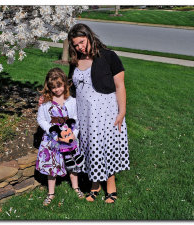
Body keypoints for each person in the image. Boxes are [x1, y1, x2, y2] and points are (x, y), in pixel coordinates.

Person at [68, 23, 130, 203]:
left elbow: (120, 86)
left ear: (89, 36)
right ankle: (94, 185)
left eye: (82, 42)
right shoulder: (75, 62)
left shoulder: (109, 56)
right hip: (84, 115)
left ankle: (111, 186)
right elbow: (72, 88)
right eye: (76, 45)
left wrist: (122, 112)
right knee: (90, 148)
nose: (80, 47)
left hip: (106, 112)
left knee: (106, 147)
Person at [36, 67, 84, 206]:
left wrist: (74, 135)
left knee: (73, 164)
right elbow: (41, 119)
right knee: (52, 165)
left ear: (64, 83)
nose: (57, 89)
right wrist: (52, 132)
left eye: (59, 85)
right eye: (53, 87)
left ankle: (76, 188)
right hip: (53, 140)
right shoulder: (46, 102)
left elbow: (76, 118)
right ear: (48, 87)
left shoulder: (72, 101)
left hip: (69, 138)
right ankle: (51, 193)